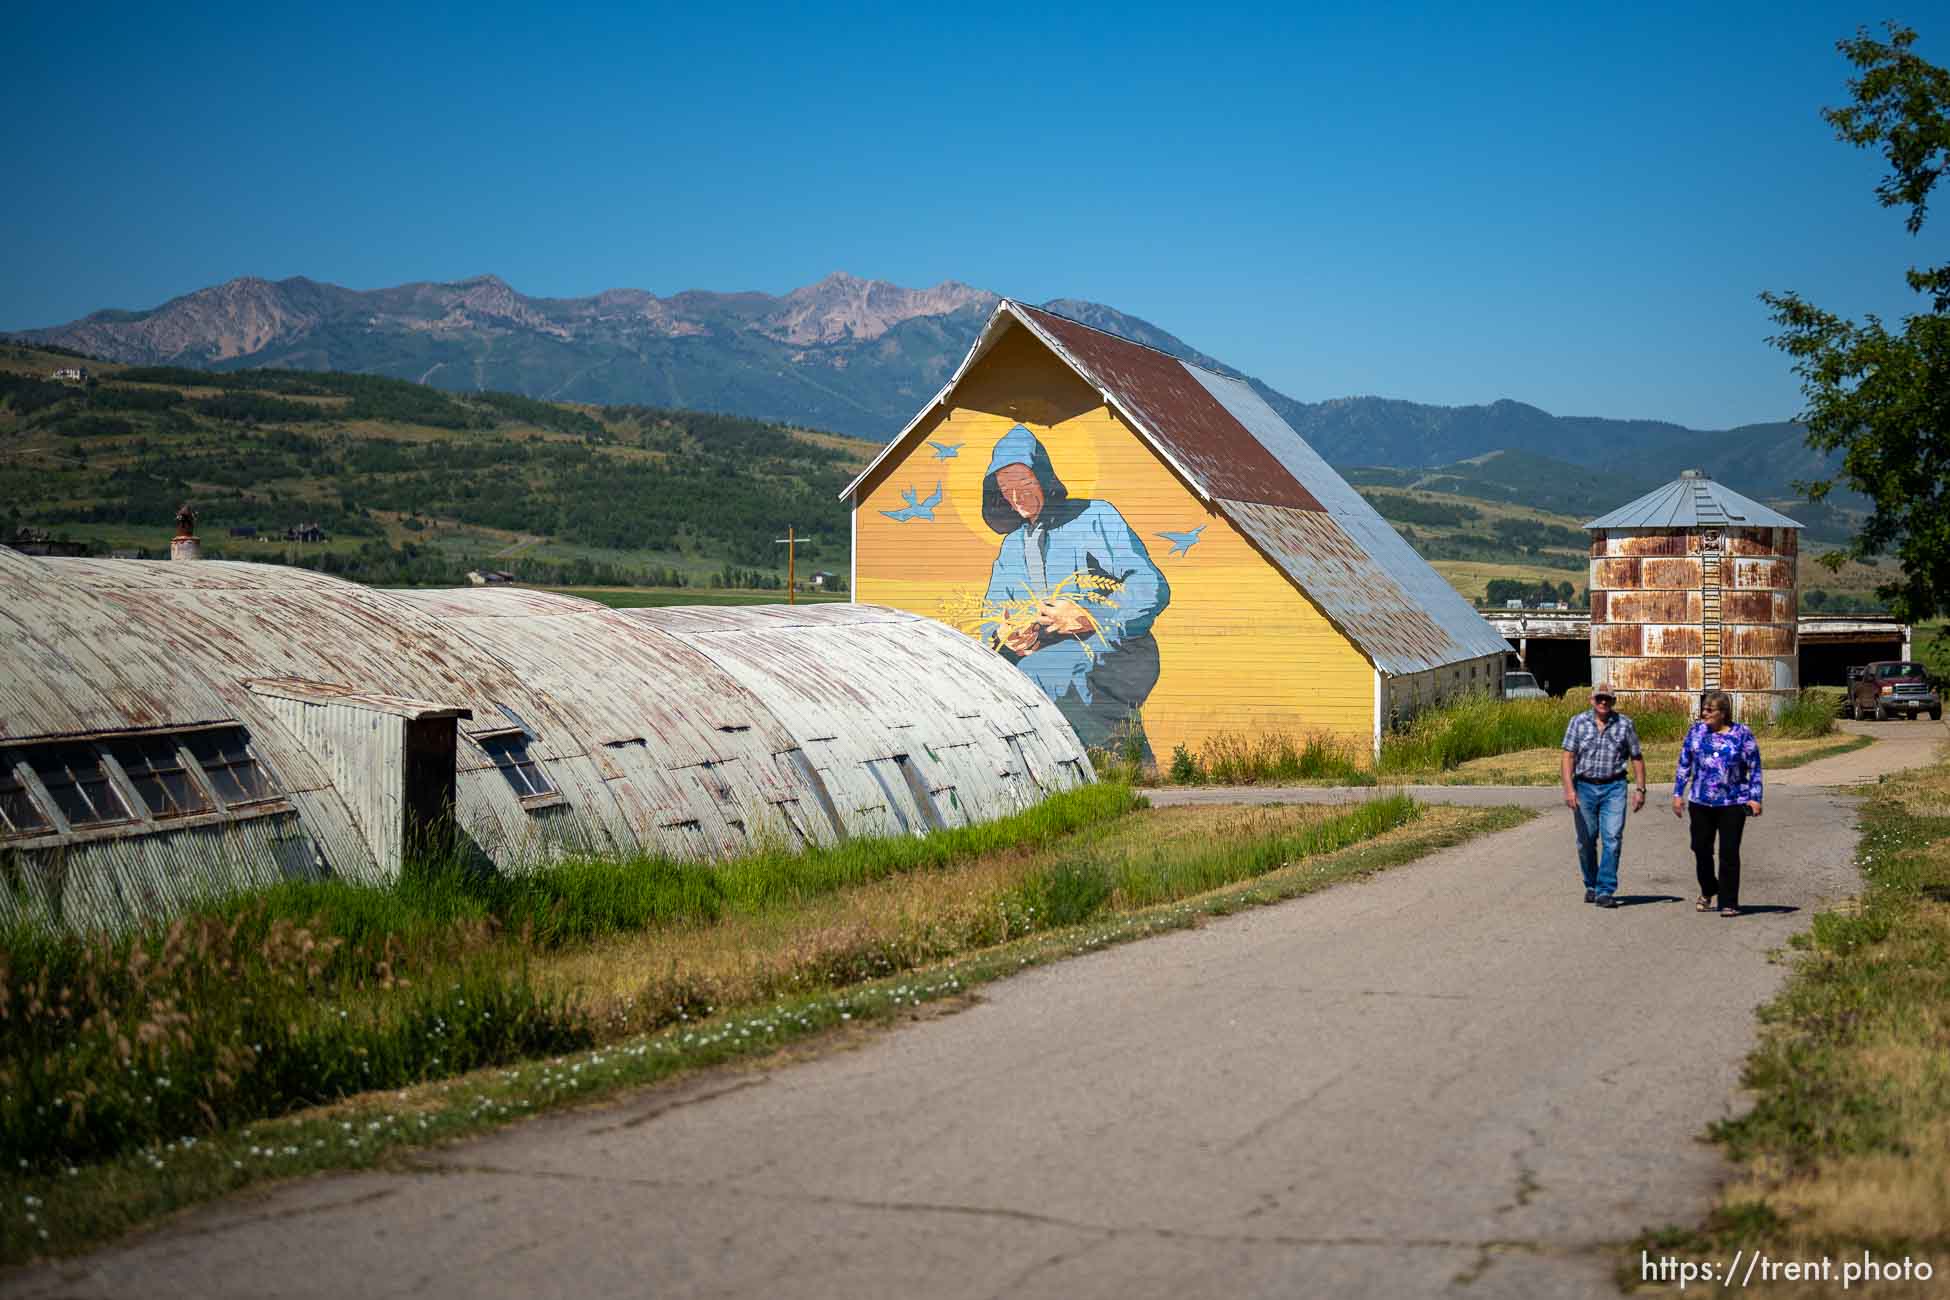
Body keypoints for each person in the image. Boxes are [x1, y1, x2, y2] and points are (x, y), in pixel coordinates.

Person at [978, 424, 1170, 756]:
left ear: (1044, 478)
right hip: (1044, 657)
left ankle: (1116, 769)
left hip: (1120, 646)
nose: (1017, 497)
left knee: (1051, 676)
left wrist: (1091, 615)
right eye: (1006, 489)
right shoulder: (1011, 548)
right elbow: (991, 615)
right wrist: (1006, 634)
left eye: (1025, 483)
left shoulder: (1096, 517)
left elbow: (1151, 587)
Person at [1672, 690, 1764, 918]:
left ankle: (1728, 902)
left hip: (1733, 801)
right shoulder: (1696, 732)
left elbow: (1755, 767)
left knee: (1729, 852)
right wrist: (1677, 793)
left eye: (1709, 710)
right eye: (1703, 709)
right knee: (1700, 848)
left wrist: (1755, 797)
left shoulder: (1742, 734)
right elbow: (1685, 763)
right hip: (1700, 801)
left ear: (1723, 713)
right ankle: (1709, 887)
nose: (1704, 713)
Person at [1559, 685, 1647, 907]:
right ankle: (1591, 884)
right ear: (1592, 700)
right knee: (1586, 840)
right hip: (1585, 787)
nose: (1603, 703)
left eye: (1608, 699)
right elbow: (1568, 757)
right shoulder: (1578, 722)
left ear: (1613, 701)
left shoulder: (1625, 724)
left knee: (1612, 838)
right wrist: (1569, 789)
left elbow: (1636, 756)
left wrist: (1640, 789)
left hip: (1614, 787)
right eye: (1600, 698)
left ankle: (1605, 889)